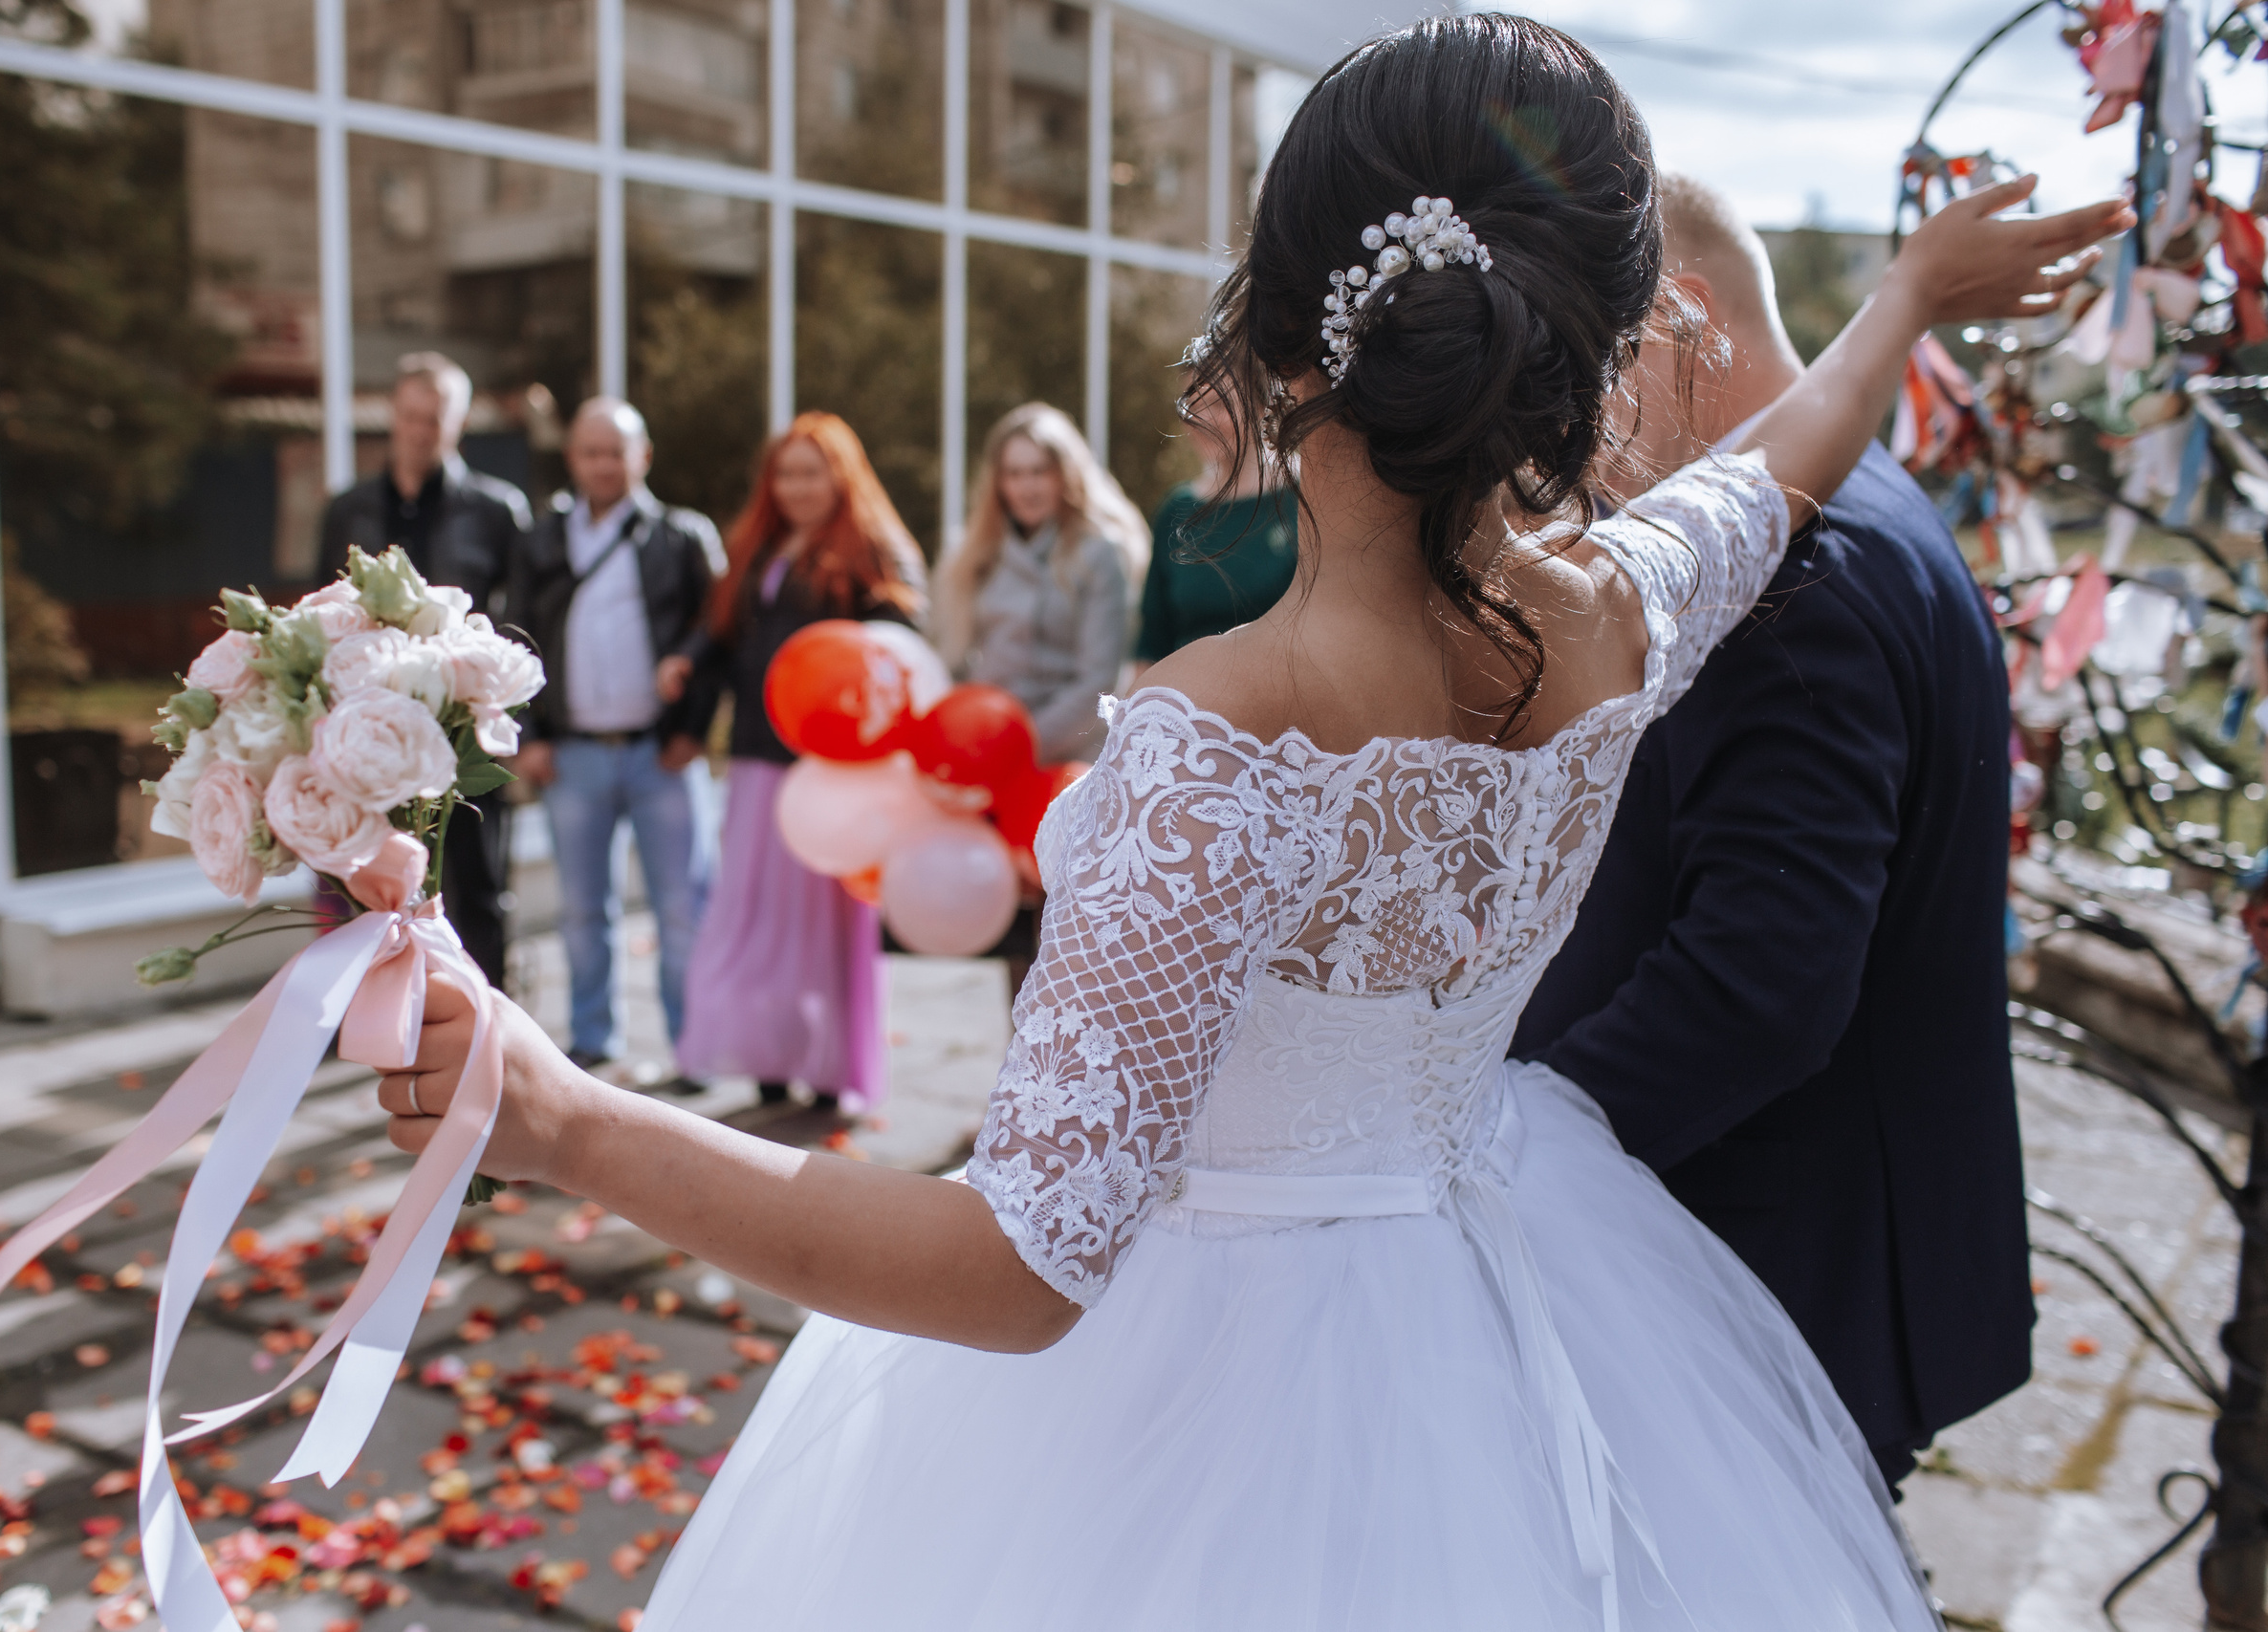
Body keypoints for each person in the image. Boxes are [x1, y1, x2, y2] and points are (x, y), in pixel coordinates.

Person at [378, 15, 2125, 1625]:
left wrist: (569, 1118)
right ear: (1592, 350)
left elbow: (1018, 1266)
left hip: (1215, 1396)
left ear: (1279, 337)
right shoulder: (1619, 618)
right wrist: (1901, 297)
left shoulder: (1225, 733)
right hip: (1501, 1324)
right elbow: (1782, 461)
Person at [1508, 173, 2032, 1494]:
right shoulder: (1872, 504)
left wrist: (1510, 1139)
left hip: (1774, 1268)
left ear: (1683, 324)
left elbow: (1758, 982)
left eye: (1572, 372)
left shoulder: (1791, 582)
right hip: (1816, 1243)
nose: (1553, 433)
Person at [665, 412, 927, 1112]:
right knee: (752, 920)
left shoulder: (874, 549)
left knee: (822, 930)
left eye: (811, 471)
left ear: (839, 476)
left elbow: (900, 643)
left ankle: (826, 1070)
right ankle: (768, 1059)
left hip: (830, 776)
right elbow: (719, 633)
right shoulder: (759, 548)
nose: (796, 486)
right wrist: (684, 666)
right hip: (756, 761)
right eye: (785, 472)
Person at [506, 398, 724, 1084]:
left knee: (684, 907)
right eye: (591, 451)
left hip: (661, 754)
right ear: (573, 458)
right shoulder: (542, 539)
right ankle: (594, 1038)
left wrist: (693, 730)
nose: (604, 464)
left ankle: (696, 1046)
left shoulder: (682, 537)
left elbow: (715, 636)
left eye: (616, 451)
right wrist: (529, 736)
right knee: (580, 909)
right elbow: (515, 638)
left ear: (643, 456)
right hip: (572, 754)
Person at [316, 351, 531, 986]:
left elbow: (519, 629)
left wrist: (518, 733)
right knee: (366, 878)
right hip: (368, 728)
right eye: (411, 416)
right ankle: (364, 1009)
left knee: (478, 884)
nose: (420, 430)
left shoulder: (498, 511)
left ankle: (485, 1018)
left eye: (435, 419)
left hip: (459, 727)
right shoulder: (347, 509)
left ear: (457, 423)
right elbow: (323, 613)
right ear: (393, 416)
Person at [934, 403, 1146, 762]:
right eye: (1014, 473)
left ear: (1064, 475)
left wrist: (1022, 744)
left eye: (1039, 472)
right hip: (985, 745)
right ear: (998, 481)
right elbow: (952, 661)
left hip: (1068, 755)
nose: (1025, 486)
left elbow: (1097, 683)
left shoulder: (1101, 553)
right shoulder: (973, 553)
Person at [1134, 383, 1298, 662]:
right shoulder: (1175, 510)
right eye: (1192, 405)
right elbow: (1152, 640)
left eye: (1219, 403)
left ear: (1260, 406)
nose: (1202, 418)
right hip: (1189, 696)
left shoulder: (1302, 499)